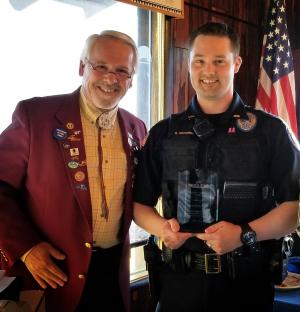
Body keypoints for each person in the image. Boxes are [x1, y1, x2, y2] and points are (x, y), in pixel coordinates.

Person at [133, 22, 300, 312]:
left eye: (219, 61)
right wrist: (162, 229)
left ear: (236, 64)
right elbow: (140, 205)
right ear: (189, 64)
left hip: (246, 287)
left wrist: (244, 234)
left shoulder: (271, 132)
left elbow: (294, 210)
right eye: (199, 61)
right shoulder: (163, 133)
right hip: (179, 287)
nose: (208, 71)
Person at [0, 30, 147, 311]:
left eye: (121, 71)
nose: (110, 78)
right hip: (53, 276)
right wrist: (26, 248)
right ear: (82, 67)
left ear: (130, 79)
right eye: (100, 66)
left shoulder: (136, 128)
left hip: (113, 274)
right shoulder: (36, 116)